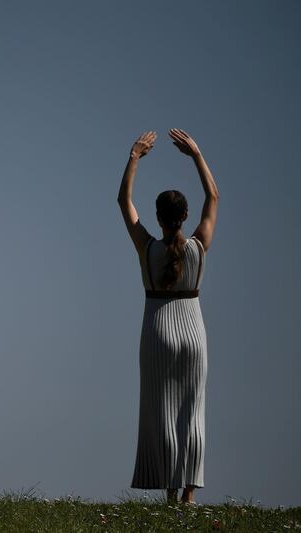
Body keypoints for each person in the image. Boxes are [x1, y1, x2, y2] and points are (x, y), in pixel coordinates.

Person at [116, 129, 220, 505]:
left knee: (161, 411)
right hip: (193, 332)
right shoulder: (198, 247)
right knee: (192, 410)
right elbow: (214, 196)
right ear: (185, 216)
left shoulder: (148, 249)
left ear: (159, 218)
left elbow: (123, 200)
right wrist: (196, 154)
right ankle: (189, 496)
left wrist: (135, 155)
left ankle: (170, 491)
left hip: (157, 329)